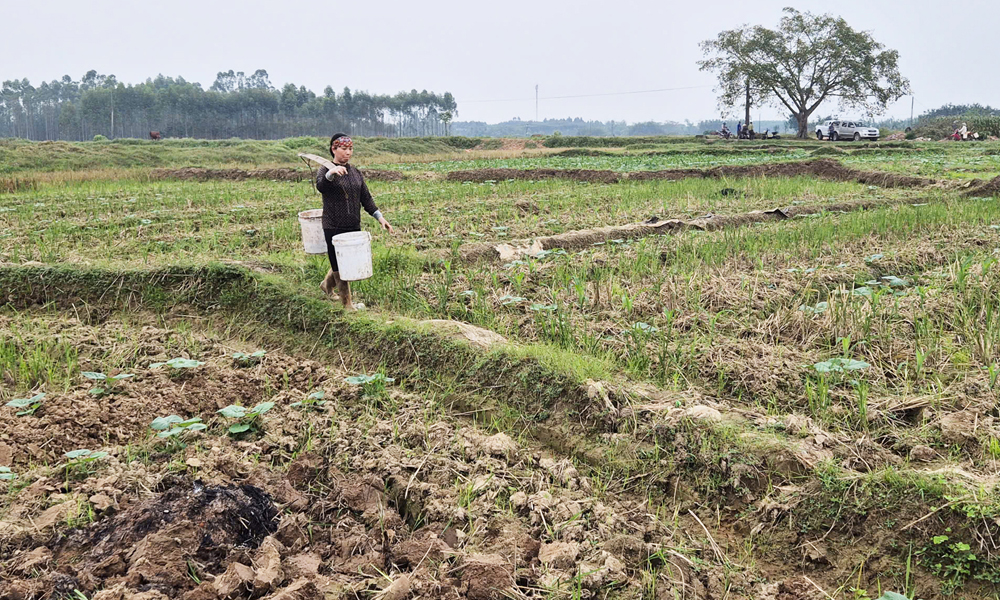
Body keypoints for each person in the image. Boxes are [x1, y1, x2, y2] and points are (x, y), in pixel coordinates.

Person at [316, 133, 394, 311]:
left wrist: (380, 217)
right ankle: (347, 304)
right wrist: (331, 173)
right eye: (343, 149)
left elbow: (365, 198)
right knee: (339, 264)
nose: (348, 152)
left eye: (350, 149)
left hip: (352, 224)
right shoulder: (325, 170)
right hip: (333, 224)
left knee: (347, 261)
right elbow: (321, 185)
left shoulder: (355, 173)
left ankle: (326, 286)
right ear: (333, 149)